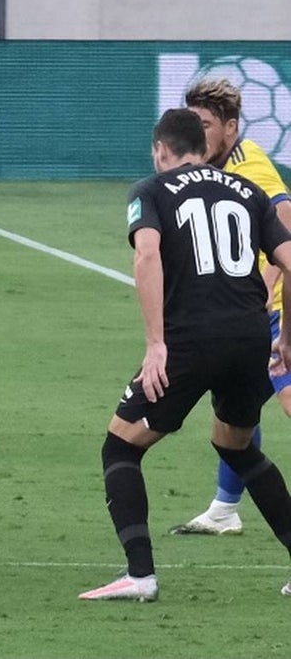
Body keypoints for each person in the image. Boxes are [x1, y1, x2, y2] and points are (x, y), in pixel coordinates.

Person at [79, 108, 291, 601]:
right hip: (250, 336)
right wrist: (286, 340)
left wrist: (156, 345)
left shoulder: (151, 190)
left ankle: (140, 576)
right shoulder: (247, 190)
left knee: (120, 447)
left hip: (191, 342)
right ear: (204, 145)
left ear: (161, 150)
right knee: (235, 445)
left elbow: (147, 254)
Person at [170, 78, 291, 536]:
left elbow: (287, 224)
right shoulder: (216, 166)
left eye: (206, 124)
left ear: (231, 127)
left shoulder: (249, 166)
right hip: (251, 316)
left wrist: (263, 295)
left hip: (276, 311)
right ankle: (225, 509)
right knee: (235, 410)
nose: (197, 132)